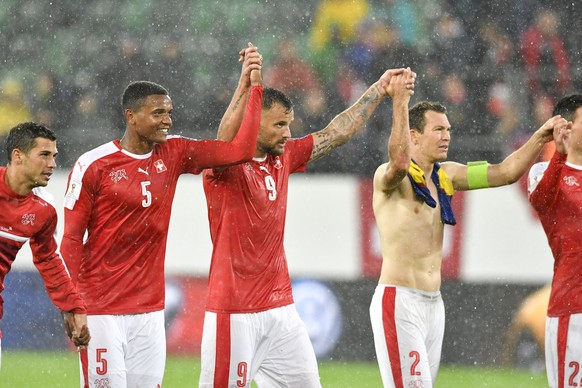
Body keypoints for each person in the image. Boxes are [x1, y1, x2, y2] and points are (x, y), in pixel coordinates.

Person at [200, 43, 415, 385]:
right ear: (254, 125)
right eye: (279, 125)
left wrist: (379, 90)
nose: (287, 133)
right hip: (235, 312)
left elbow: (336, 132)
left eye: (290, 124)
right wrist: (246, 84)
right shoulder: (225, 169)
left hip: (281, 310)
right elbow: (226, 142)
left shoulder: (283, 157)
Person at [59, 45, 263, 388]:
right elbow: (70, 239)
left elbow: (240, 151)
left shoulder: (175, 152)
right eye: (158, 113)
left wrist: (250, 86)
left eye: (169, 112)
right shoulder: (94, 165)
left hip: (151, 313)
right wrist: (70, 306)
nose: (167, 120)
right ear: (131, 117)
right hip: (100, 308)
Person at [369, 89, 568, 387]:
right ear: (414, 135)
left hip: (433, 304)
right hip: (399, 299)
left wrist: (541, 136)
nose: (447, 136)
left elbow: (505, 173)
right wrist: (400, 100)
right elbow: (399, 163)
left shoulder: (447, 175)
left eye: (448, 129)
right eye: (438, 130)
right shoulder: (390, 176)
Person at [0, 122, 90, 368]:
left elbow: (48, 260)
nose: (52, 164)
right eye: (44, 155)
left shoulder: (44, 210)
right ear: (17, 155)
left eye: (54, 156)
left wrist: (73, 307)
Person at [527, 94, 582, 388]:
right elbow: (542, 201)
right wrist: (558, 155)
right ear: (566, 128)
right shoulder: (542, 173)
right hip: (573, 309)